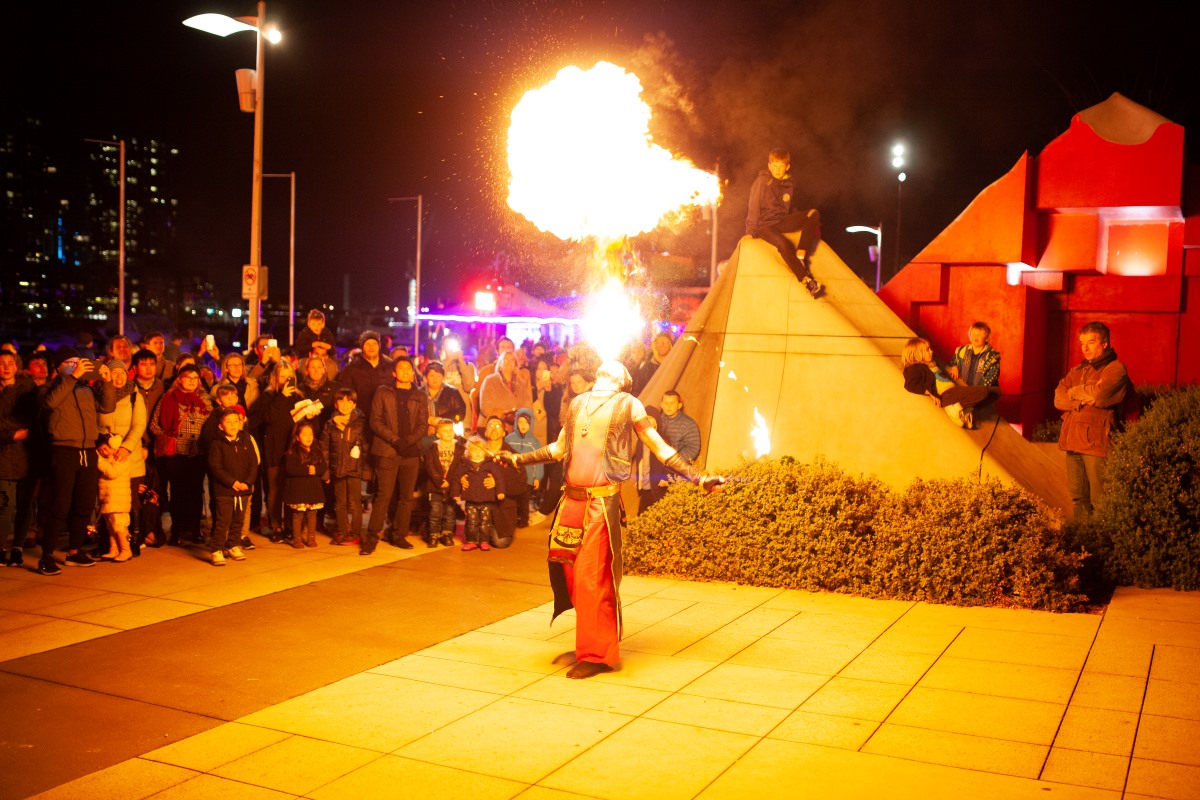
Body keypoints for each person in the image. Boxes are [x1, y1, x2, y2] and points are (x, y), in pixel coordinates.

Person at [504, 360, 722, 678]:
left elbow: (659, 448)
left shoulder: (628, 404)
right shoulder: (578, 403)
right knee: (571, 577)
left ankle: (598, 654)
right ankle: (590, 641)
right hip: (571, 502)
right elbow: (559, 448)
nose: (610, 366)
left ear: (623, 380)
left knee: (592, 579)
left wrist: (699, 478)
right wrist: (518, 459)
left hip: (599, 504)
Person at [41, 346, 116, 573]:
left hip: (88, 450)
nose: (77, 366)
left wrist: (107, 382)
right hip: (64, 450)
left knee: (84, 504)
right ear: (58, 368)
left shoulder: (86, 389)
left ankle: (74, 551)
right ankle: (46, 555)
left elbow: (107, 406)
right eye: (71, 362)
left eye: (79, 362)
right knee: (61, 505)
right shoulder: (51, 387)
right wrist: (72, 378)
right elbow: (50, 404)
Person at [1054, 321, 1130, 521]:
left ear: (1104, 343)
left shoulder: (1115, 369)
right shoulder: (1078, 370)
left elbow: (1099, 396)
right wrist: (1081, 398)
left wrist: (1074, 392)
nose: (1085, 348)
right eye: (1082, 343)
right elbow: (1058, 399)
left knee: (1101, 500)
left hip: (1097, 444)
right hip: (1072, 442)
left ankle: (1102, 538)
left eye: (1091, 342)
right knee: (1078, 499)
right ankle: (1083, 538)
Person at [364, 356, 428, 555]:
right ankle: (372, 536)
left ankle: (399, 534)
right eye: (401, 368)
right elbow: (375, 421)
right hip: (387, 451)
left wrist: (408, 441)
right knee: (384, 495)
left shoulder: (420, 395)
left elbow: (423, 424)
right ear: (394, 372)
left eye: (409, 368)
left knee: (406, 497)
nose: (405, 371)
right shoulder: (383, 392)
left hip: (411, 452)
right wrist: (395, 439)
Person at [148, 364, 213, 545]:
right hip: (175, 453)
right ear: (180, 379)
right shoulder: (168, 397)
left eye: (195, 378)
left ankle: (194, 530)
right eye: (187, 377)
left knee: (195, 493)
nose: (191, 381)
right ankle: (176, 530)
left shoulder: (205, 399)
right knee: (177, 493)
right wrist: (167, 435)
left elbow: (210, 424)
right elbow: (154, 424)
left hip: (196, 452)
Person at [746, 148, 824, 298]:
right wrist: (750, 231)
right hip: (764, 225)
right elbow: (753, 205)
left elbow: (790, 207)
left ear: (787, 167)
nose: (777, 170)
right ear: (769, 166)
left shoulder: (789, 184)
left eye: (781, 166)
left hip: (781, 220)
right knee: (784, 244)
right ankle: (806, 280)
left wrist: (805, 223)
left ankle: (800, 256)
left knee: (813, 214)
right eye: (774, 166)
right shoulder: (762, 181)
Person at [98, 363, 148, 556]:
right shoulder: (99, 393)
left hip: (130, 456)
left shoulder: (134, 396)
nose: (118, 377)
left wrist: (127, 447)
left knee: (130, 501)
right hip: (107, 456)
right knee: (107, 501)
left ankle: (132, 542)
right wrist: (100, 442)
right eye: (114, 373)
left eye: (122, 373)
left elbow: (139, 425)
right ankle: (109, 544)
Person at [901, 338, 999, 429]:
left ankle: (964, 407)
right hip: (946, 394)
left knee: (996, 392)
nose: (931, 351)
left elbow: (947, 368)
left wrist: (954, 367)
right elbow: (909, 385)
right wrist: (930, 393)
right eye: (927, 350)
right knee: (984, 392)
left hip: (954, 390)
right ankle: (956, 408)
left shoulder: (934, 362)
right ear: (917, 354)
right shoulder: (914, 368)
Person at [206, 407, 259, 565]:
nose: (233, 425)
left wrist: (247, 482)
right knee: (223, 521)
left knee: (238, 521)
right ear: (221, 426)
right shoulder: (217, 444)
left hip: (243, 490)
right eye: (228, 422)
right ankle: (217, 549)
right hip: (224, 491)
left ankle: (233, 545)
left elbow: (253, 463)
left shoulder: (246, 440)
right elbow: (216, 467)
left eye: (236, 421)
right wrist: (232, 482)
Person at [0, 349, 37, 568]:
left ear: (17, 366)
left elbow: (31, 419)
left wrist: (7, 424)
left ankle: (18, 548)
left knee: (25, 504)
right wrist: (12, 434)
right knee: (4, 505)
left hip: (26, 455)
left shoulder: (27, 390)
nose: (6, 367)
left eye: (10, 363)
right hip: (3, 456)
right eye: (1, 363)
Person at [321, 386, 367, 546]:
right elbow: (324, 449)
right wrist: (326, 472)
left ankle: (355, 533)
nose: (345, 405)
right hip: (337, 470)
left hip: (355, 469)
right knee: (339, 502)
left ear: (354, 405)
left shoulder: (360, 424)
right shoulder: (329, 424)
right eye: (341, 401)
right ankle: (341, 530)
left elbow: (366, 448)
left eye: (349, 401)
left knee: (354, 503)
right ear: (336, 404)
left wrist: (367, 471)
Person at [448, 434, 505, 551]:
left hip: (486, 499)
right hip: (471, 499)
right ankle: (471, 541)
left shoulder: (490, 464)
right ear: (469, 452)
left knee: (485, 521)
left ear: (485, 451)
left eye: (480, 450)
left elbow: (499, 478)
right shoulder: (464, 465)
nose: (477, 452)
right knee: (471, 521)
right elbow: (457, 478)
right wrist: (455, 493)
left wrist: (500, 491)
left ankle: (484, 541)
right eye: (474, 450)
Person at [652, 390, 702, 504]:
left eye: (672, 403)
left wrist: (672, 464)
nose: (668, 406)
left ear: (679, 405)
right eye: (666, 403)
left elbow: (693, 449)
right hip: (654, 473)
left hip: (676, 474)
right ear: (661, 404)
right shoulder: (656, 421)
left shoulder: (689, 424)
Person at [282, 419, 326, 549]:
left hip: (313, 489)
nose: (308, 437)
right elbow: (290, 469)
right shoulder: (293, 452)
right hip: (299, 490)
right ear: (297, 437)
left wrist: (316, 470)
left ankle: (311, 537)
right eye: (304, 434)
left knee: (312, 514)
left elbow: (323, 465)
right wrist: (307, 470)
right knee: (298, 514)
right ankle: (297, 538)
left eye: (310, 434)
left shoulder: (316, 450)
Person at [421, 417, 462, 547]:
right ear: (438, 434)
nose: (449, 433)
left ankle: (447, 534)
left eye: (451, 430)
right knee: (435, 512)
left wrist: (449, 481)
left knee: (450, 512)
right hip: (435, 486)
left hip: (451, 487)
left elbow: (459, 467)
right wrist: (439, 480)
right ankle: (433, 534)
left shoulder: (459, 448)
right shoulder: (433, 448)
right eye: (445, 430)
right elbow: (430, 466)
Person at [95, 435, 134, 562]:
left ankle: (126, 550)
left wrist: (99, 460)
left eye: (105, 448)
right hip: (108, 499)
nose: (104, 452)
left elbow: (112, 473)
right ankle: (114, 549)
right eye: (100, 450)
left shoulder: (120, 458)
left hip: (118, 499)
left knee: (119, 525)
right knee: (110, 526)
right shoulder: (106, 460)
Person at [505, 408, 544, 527]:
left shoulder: (535, 442)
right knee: (512, 499)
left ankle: (524, 520)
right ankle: (512, 518)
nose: (523, 425)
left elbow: (539, 461)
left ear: (531, 424)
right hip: (512, 476)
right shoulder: (509, 439)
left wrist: (537, 478)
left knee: (524, 499)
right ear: (516, 422)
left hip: (527, 477)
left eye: (526, 423)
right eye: (520, 422)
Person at [479, 351, 533, 434]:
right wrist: (504, 415)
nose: (509, 362)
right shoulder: (490, 381)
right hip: (495, 428)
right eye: (506, 359)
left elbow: (527, 404)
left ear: (515, 365)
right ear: (500, 364)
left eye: (512, 360)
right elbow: (485, 406)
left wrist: (520, 417)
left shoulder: (521, 383)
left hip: (516, 430)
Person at [947, 321, 1001, 387]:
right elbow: (953, 362)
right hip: (963, 388)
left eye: (980, 334)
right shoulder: (962, 351)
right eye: (973, 334)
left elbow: (991, 377)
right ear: (969, 336)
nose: (976, 336)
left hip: (982, 390)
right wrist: (954, 367)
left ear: (987, 338)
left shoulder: (992, 356)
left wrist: (979, 390)